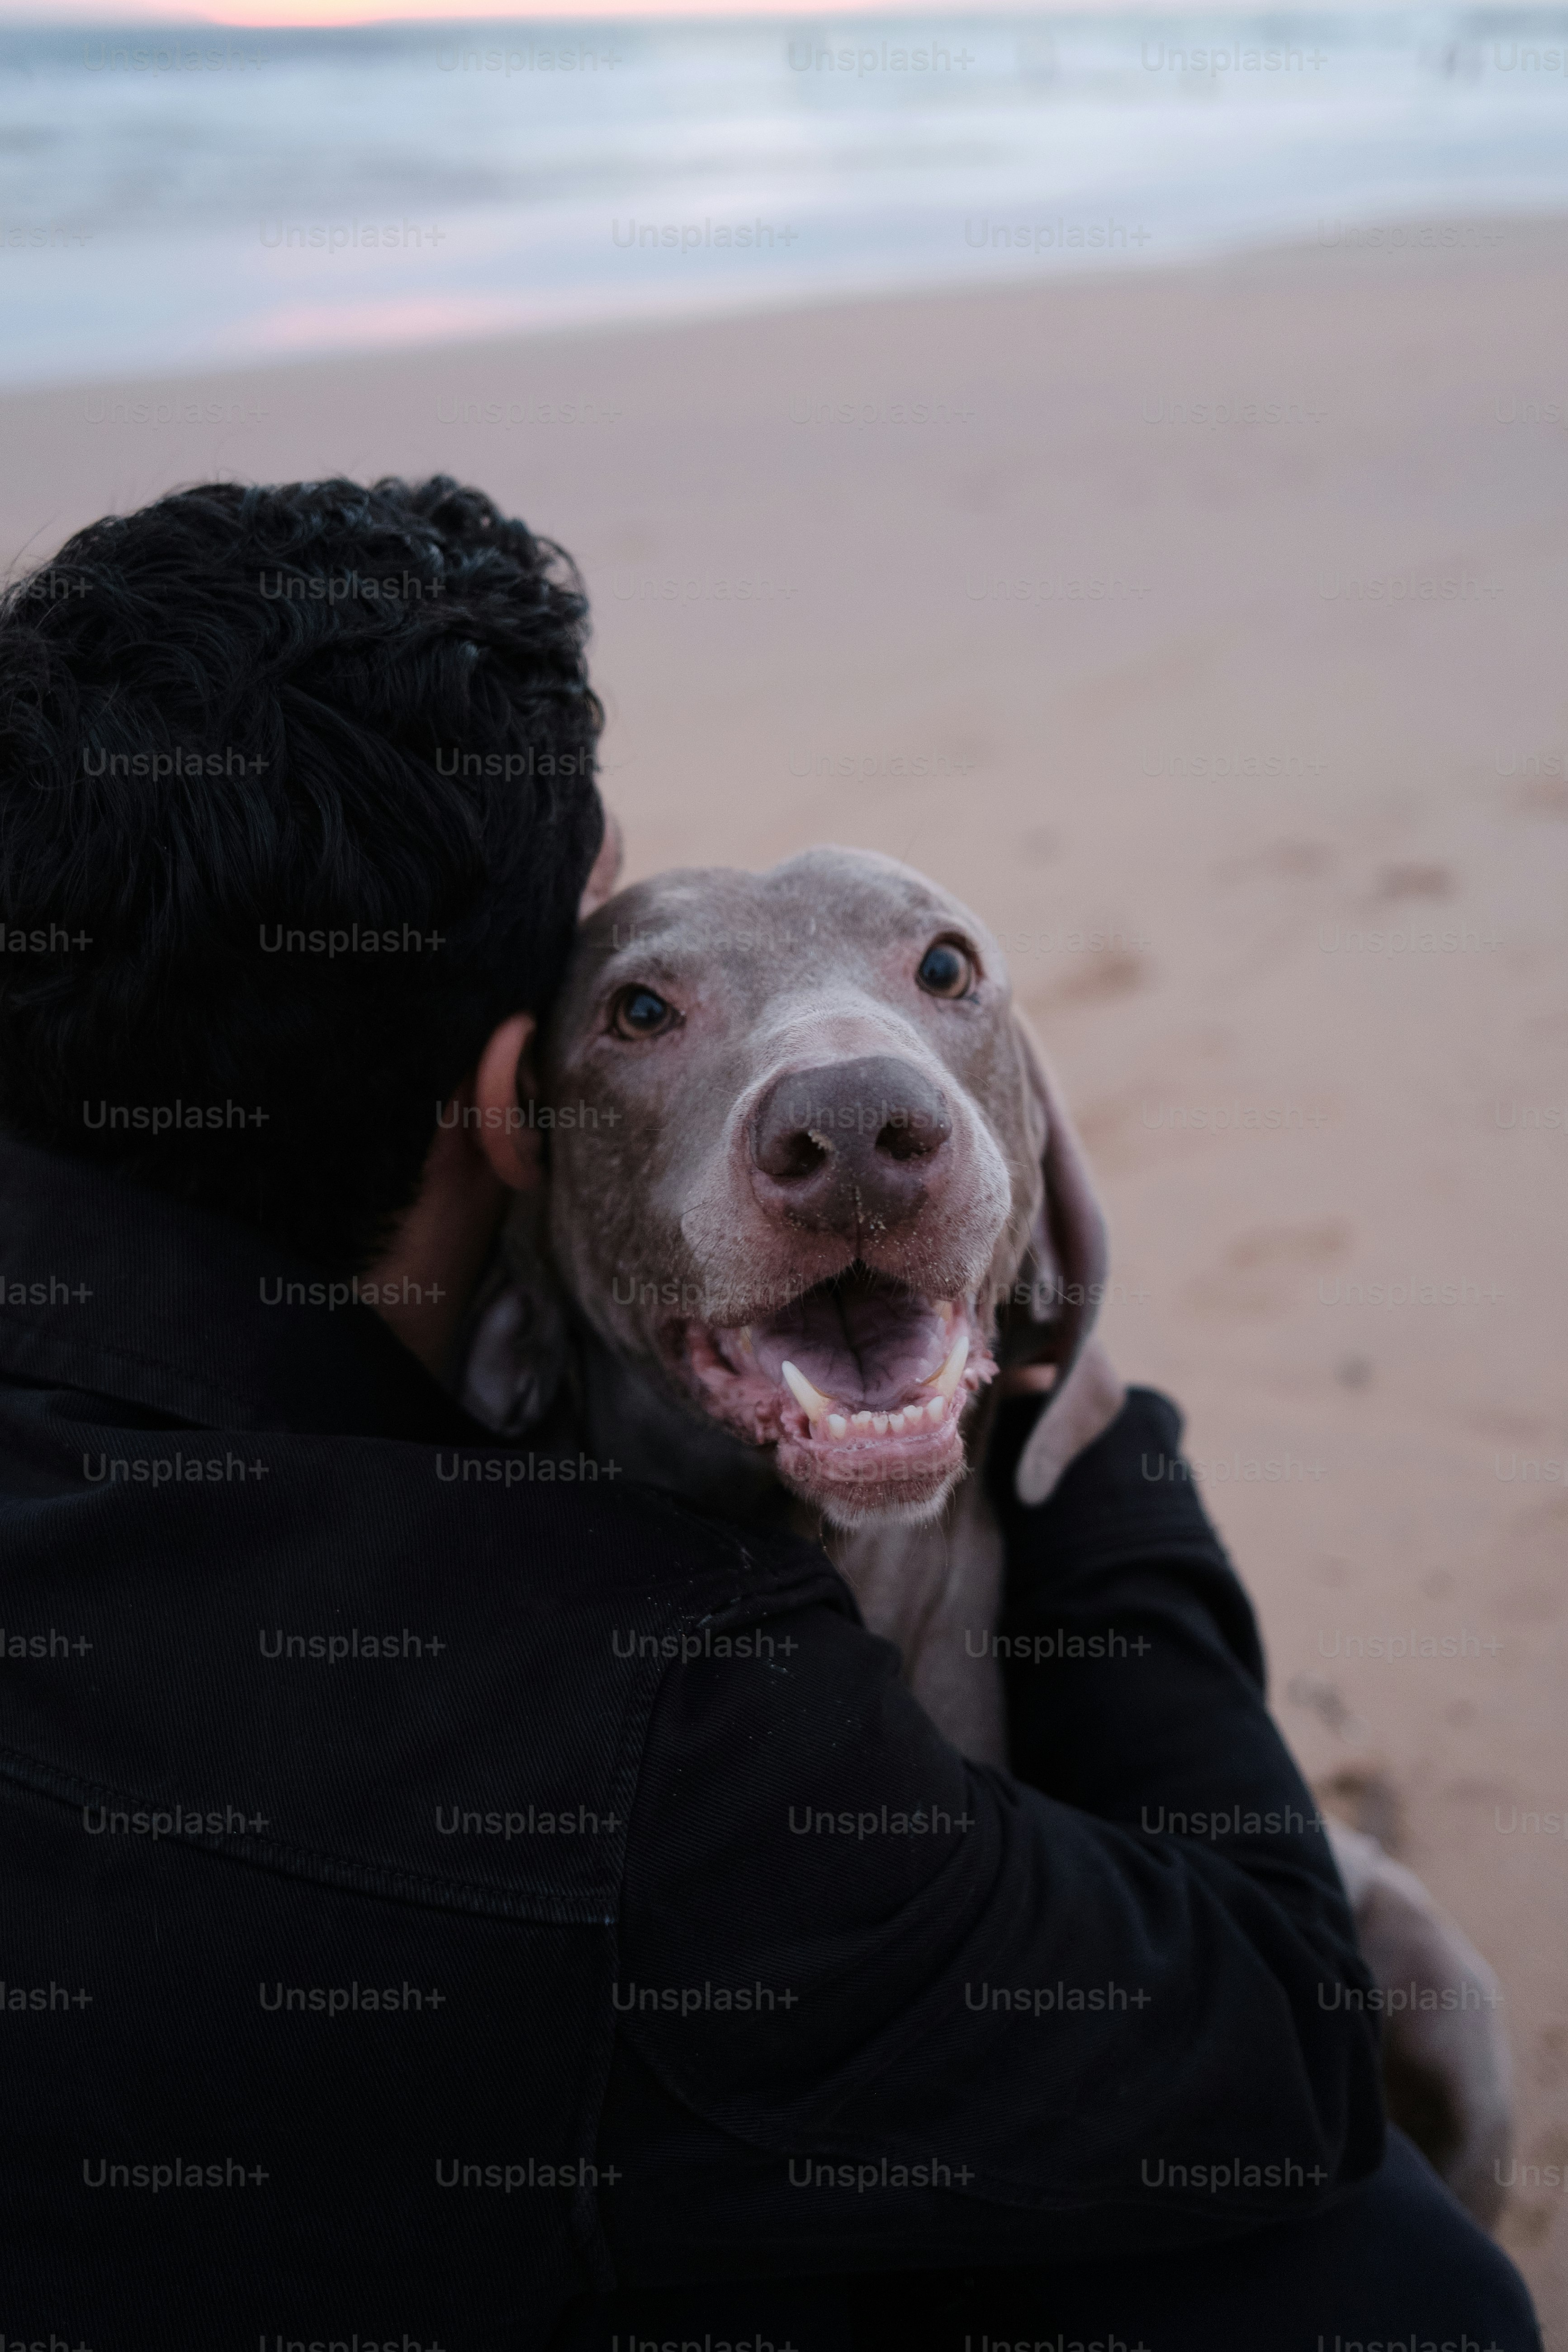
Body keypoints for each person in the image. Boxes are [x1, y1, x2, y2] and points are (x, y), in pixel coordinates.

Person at [0, 477, 1537, 2351]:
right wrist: (1113, 1459)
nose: (841, 1091)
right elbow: (1272, 2041)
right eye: (625, 991)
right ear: (512, 1106)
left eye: (936, 981)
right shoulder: (634, 1733)